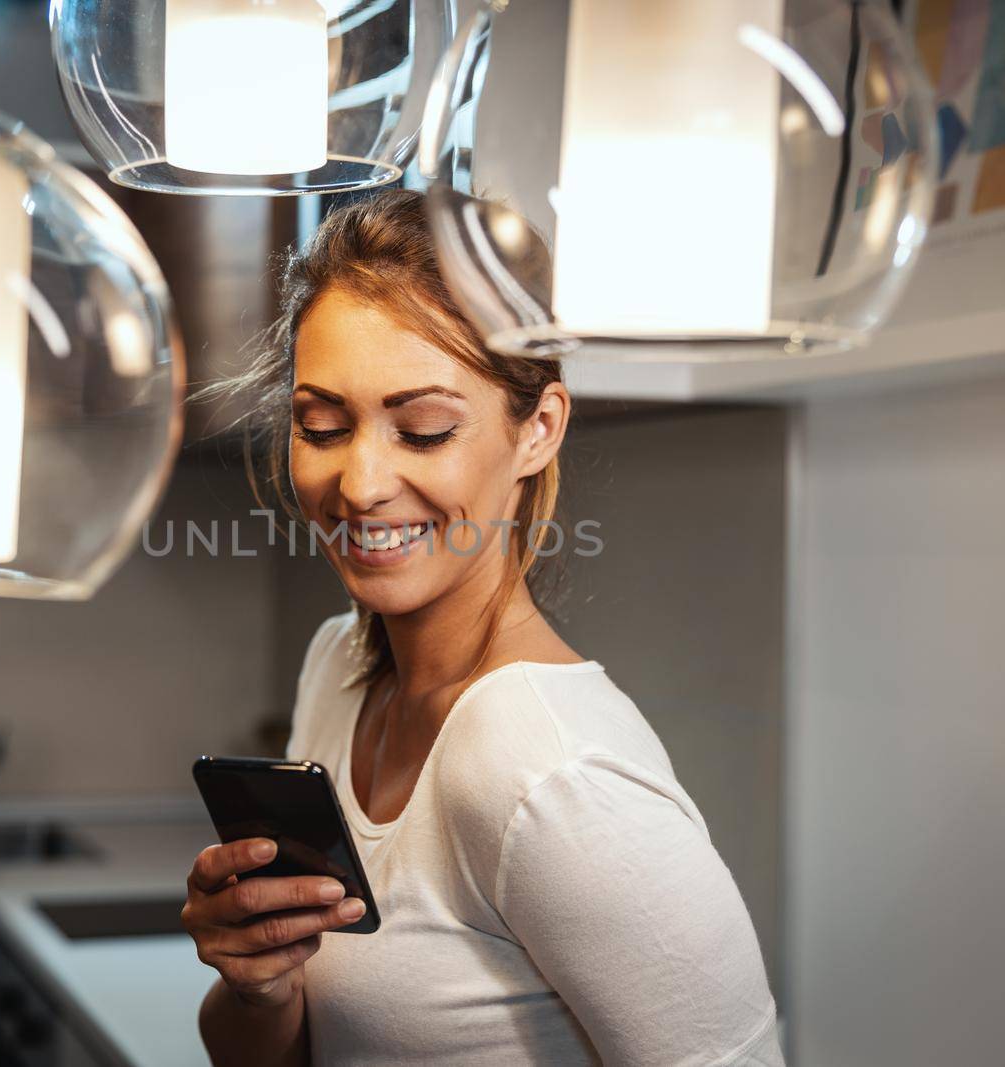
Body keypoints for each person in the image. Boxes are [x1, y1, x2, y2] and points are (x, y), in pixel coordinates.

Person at [180, 189, 784, 1066]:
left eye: (422, 429)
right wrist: (258, 981)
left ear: (537, 429)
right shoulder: (338, 666)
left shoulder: (556, 777)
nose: (360, 482)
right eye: (322, 424)